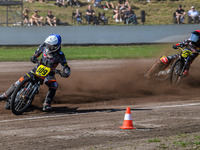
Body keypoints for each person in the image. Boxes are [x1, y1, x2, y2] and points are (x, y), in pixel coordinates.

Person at [0, 34, 71, 111]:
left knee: (54, 85)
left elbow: (65, 67)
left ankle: (47, 104)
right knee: (20, 81)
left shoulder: (60, 55)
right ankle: (4, 95)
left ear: (56, 46)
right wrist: (33, 57)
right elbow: (36, 54)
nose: (48, 46)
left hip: (49, 74)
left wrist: (65, 72)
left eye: (50, 45)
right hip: (38, 68)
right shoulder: (43, 46)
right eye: (48, 44)